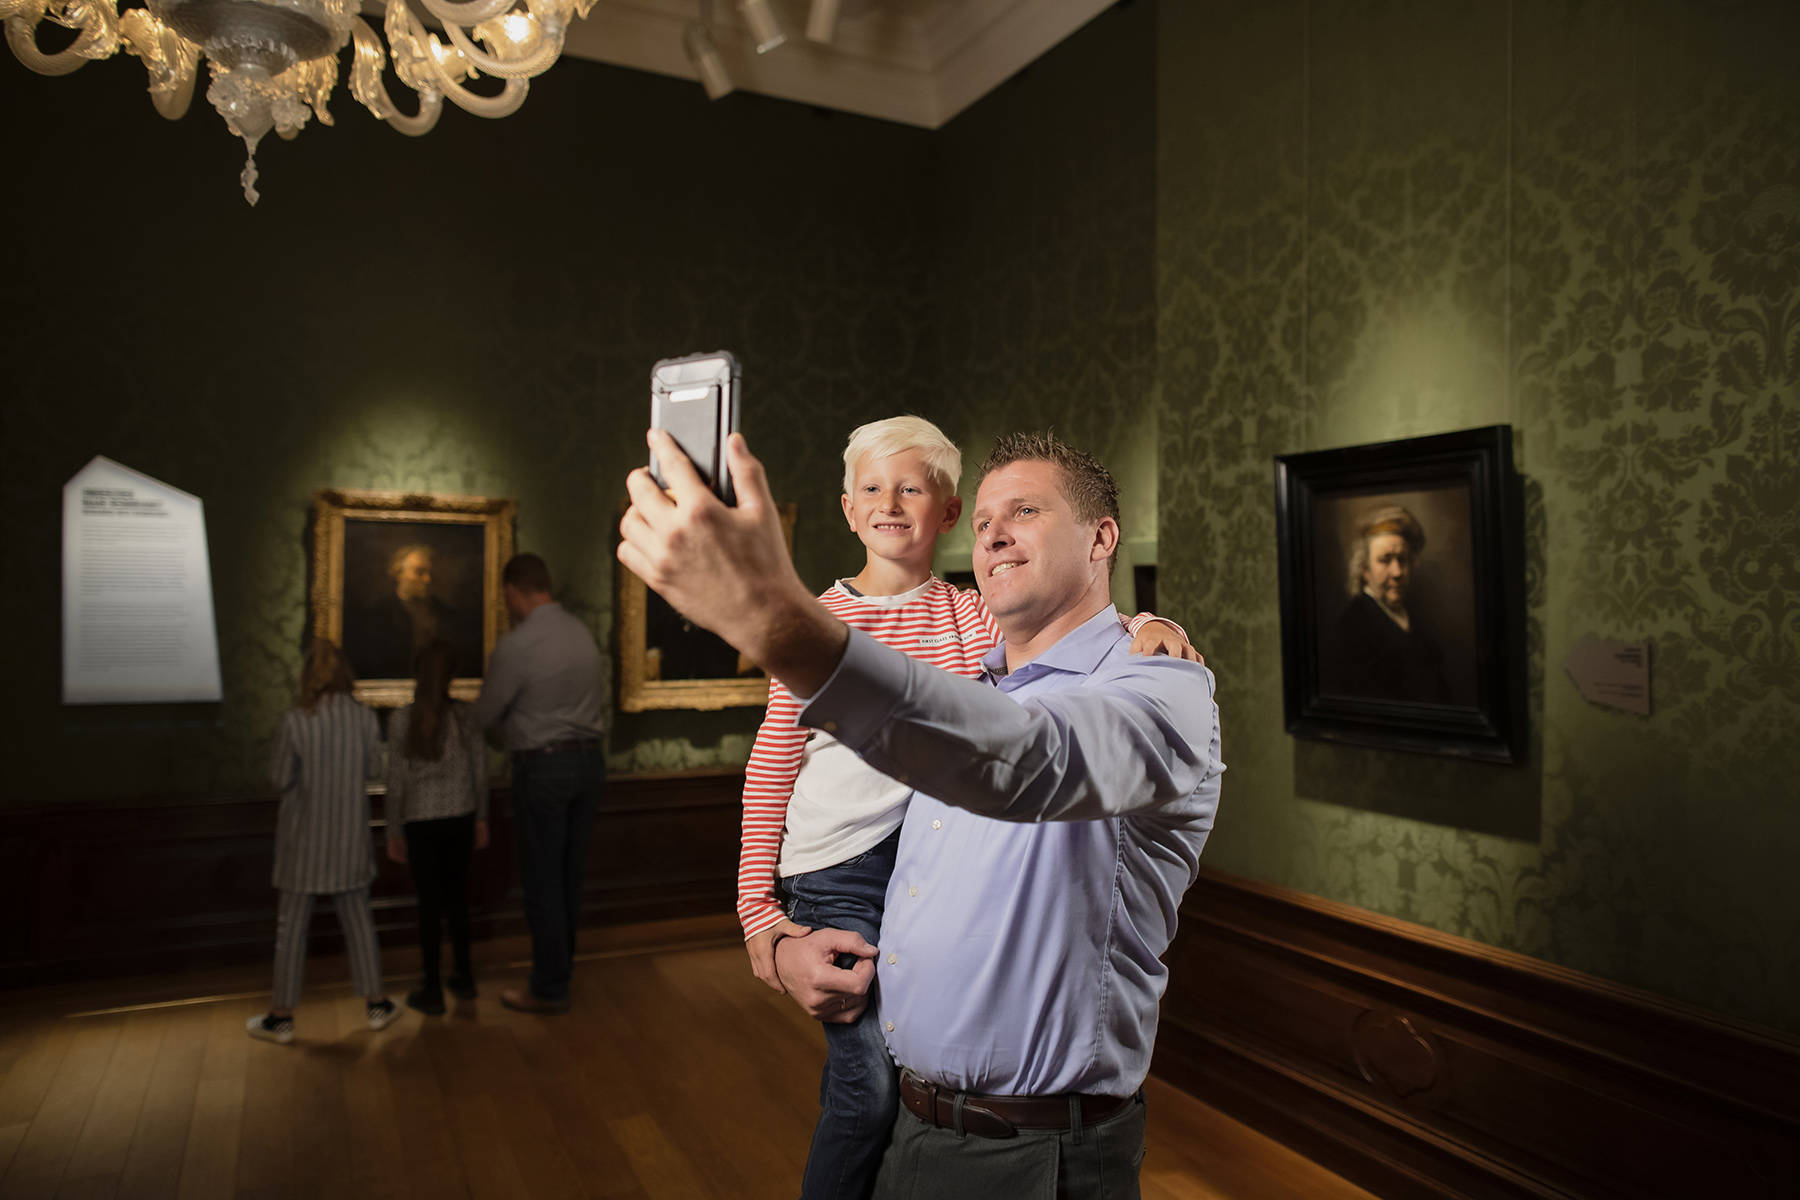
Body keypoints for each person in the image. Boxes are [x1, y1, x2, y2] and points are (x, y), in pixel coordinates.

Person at [621, 428, 1223, 1198]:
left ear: (1103, 536)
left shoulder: (1163, 689)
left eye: (1026, 511)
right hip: (910, 1132)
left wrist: (774, 622)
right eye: (984, 522)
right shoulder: (980, 679)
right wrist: (776, 943)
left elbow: (1028, 760)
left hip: (1029, 1158)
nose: (995, 533)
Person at [471, 552, 606, 1014]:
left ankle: (549, 985)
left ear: (511, 591)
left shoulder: (518, 645)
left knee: (543, 879)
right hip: (589, 767)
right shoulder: (581, 635)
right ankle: (558, 971)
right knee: (570, 877)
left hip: (542, 770)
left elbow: (483, 715)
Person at [249, 638, 398, 1043]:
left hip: (303, 844)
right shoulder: (364, 719)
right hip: (349, 838)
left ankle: (281, 1016)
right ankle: (376, 1004)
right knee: (359, 924)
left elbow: (280, 779)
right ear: (344, 674)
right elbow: (373, 769)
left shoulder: (295, 721)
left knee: (291, 929)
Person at [385, 640, 490, 1015]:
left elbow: (396, 781)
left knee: (428, 905)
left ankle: (431, 987)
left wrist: (392, 830)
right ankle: (464, 976)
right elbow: (479, 772)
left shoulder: (402, 720)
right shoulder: (465, 718)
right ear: (451, 676)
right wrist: (481, 818)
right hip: (459, 815)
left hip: (419, 821)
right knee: (458, 900)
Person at [1320, 504, 1451, 703]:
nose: (1397, 572)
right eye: (1385, 560)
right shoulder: (1352, 626)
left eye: (1402, 559)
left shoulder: (1418, 621)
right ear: (1364, 569)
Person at [344, 544, 482, 681]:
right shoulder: (379, 614)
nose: (427, 579)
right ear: (398, 573)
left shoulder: (444, 612)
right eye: (419, 572)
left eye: (429, 573)